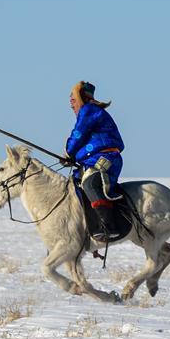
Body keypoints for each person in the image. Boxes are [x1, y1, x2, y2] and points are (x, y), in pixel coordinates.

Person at [64, 81, 125, 241]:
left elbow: (78, 134)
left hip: (106, 158)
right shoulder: (90, 111)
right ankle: (87, 228)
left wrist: (68, 152)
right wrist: (73, 157)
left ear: (81, 98)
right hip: (93, 160)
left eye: (73, 99)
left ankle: (108, 226)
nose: (71, 104)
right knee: (75, 184)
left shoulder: (89, 110)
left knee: (90, 184)